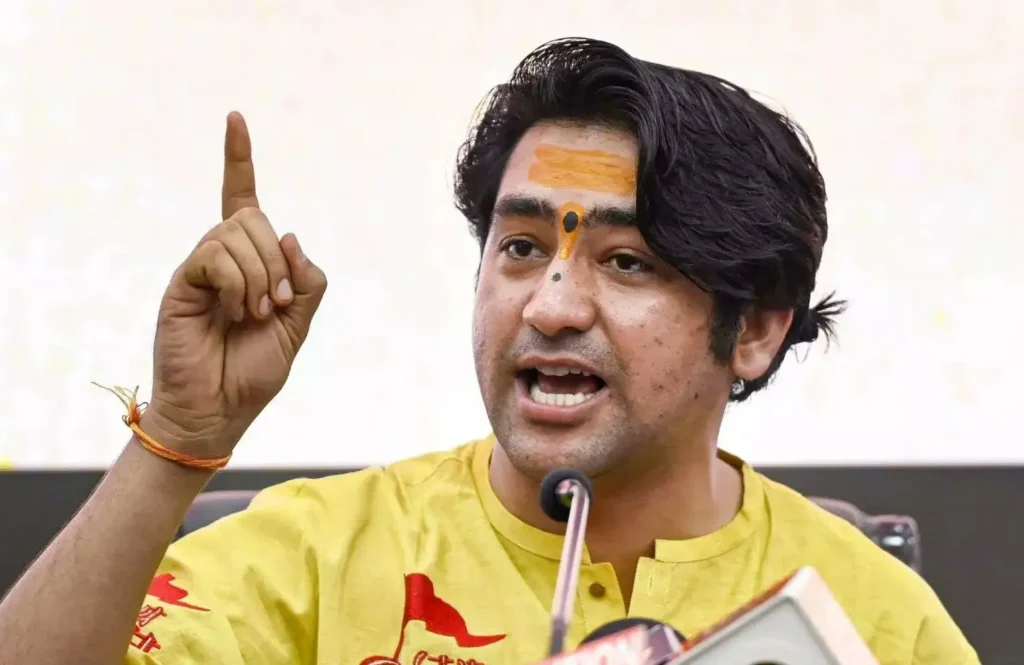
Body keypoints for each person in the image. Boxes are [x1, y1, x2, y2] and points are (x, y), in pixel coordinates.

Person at [0, 37, 977, 665]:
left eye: (626, 261)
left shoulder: (872, 616)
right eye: (519, 247)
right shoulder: (309, 559)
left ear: (755, 328)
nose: (549, 304)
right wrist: (178, 434)